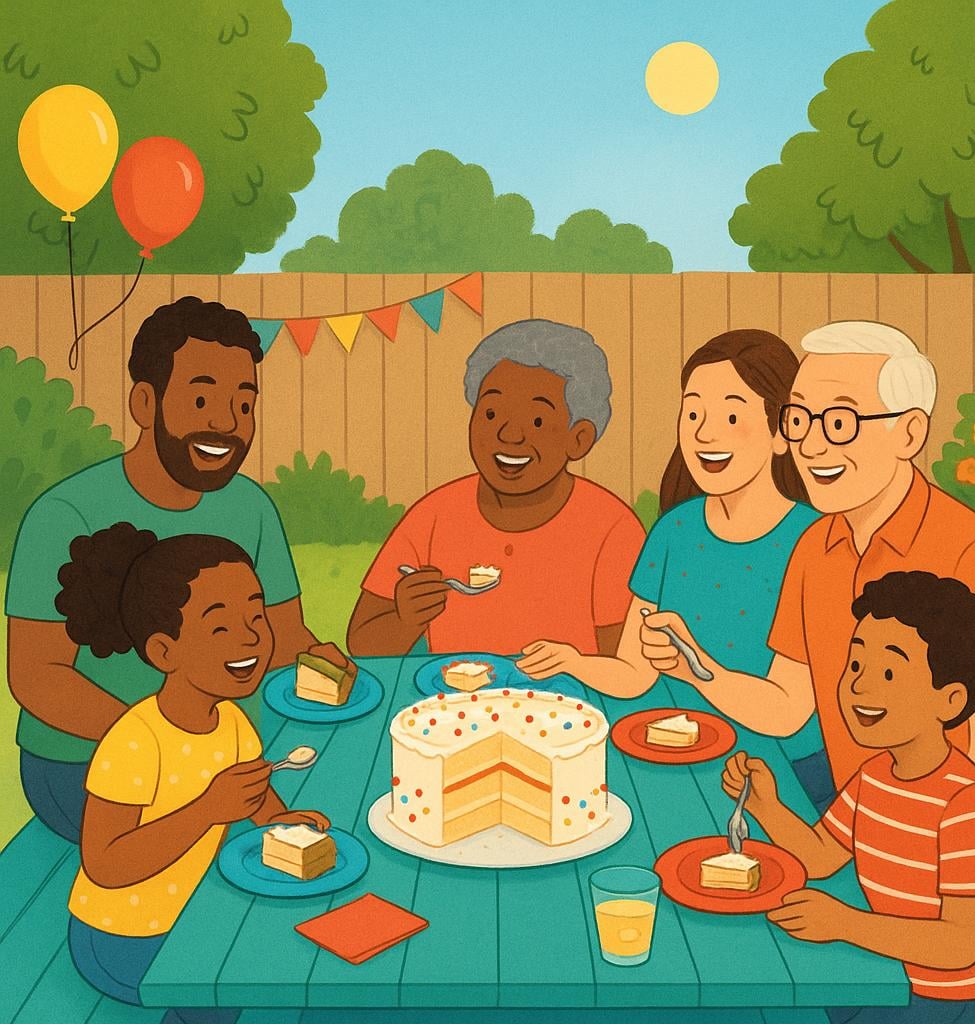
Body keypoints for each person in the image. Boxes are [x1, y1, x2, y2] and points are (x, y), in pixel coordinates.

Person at [640, 320, 975, 903]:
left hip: (970, 829)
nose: (812, 446)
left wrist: (888, 833)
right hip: (856, 814)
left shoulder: (967, 549)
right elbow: (789, 706)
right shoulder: (815, 549)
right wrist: (700, 669)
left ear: (909, 432)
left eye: (840, 423)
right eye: (799, 421)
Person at [5, 296, 353, 844]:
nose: (225, 423)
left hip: (227, 757)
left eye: (244, 404)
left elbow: (284, 637)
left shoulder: (252, 506)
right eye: (200, 399)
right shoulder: (64, 514)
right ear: (145, 402)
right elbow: (36, 674)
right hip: (86, 764)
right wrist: (163, 745)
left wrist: (318, 663)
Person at [517, 330, 832, 812]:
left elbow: (788, 712)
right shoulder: (673, 532)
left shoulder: (815, 542)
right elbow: (635, 673)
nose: (705, 433)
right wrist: (573, 661)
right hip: (688, 754)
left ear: (781, 430)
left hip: (787, 775)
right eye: (693, 412)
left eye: (731, 415)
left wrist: (699, 671)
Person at [59, 524, 331, 1022]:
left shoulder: (232, 720)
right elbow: (105, 864)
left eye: (256, 614)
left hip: (191, 908)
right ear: (164, 652)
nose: (251, 637)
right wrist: (206, 811)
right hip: (121, 936)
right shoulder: (136, 740)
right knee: (229, 979)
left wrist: (283, 822)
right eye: (221, 626)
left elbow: (253, 792)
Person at [723, 571, 975, 1024]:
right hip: (881, 967)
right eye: (856, 665)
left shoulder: (967, 803)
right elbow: (819, 857)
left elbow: (960, 944)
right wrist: (764, 806)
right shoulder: (874, 776)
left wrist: (843, 923)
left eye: (889, 672)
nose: (859, 685)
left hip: (943, 1000)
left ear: (950, 701)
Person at [348, 319, 645, 657]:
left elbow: (627, 666)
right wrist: (405, 619)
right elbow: (361, 643)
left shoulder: (611, 529)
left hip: (569, 706)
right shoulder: (434, 515)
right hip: (456, 704)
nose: (509, 435)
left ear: (578, 440)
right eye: (491, 413)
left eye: (536, 421)